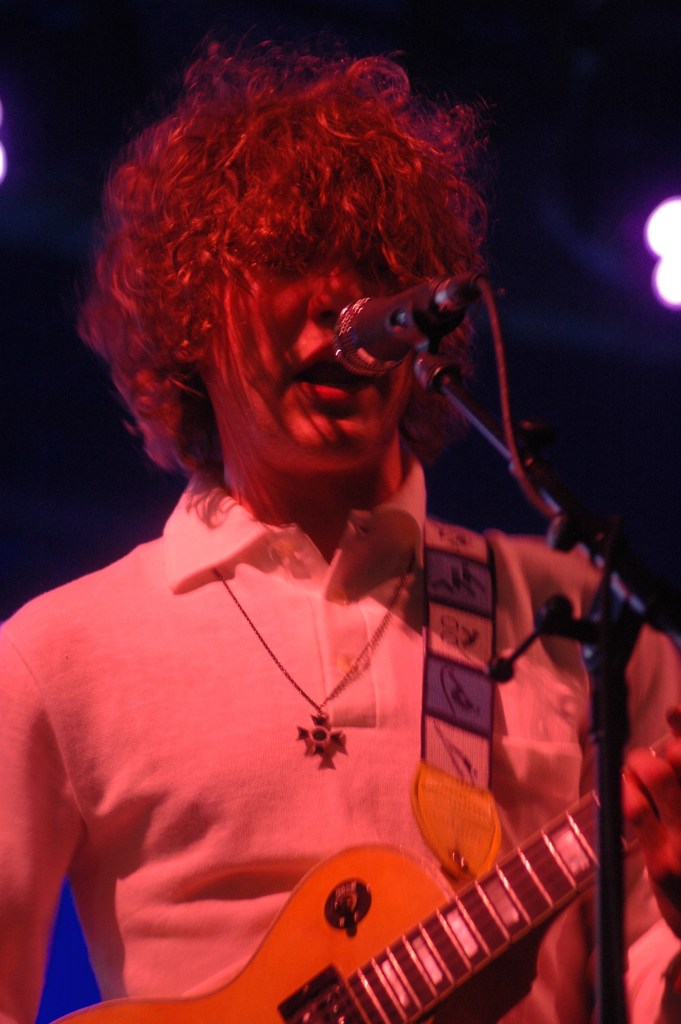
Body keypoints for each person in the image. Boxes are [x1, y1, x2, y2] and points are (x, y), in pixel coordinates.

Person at [1, 40, 680, 1024]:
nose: (344, 302)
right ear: (191, 314)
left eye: (377, 270)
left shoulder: (579, 616)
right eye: (287, 261)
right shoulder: (58, 654)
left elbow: (653, 974)